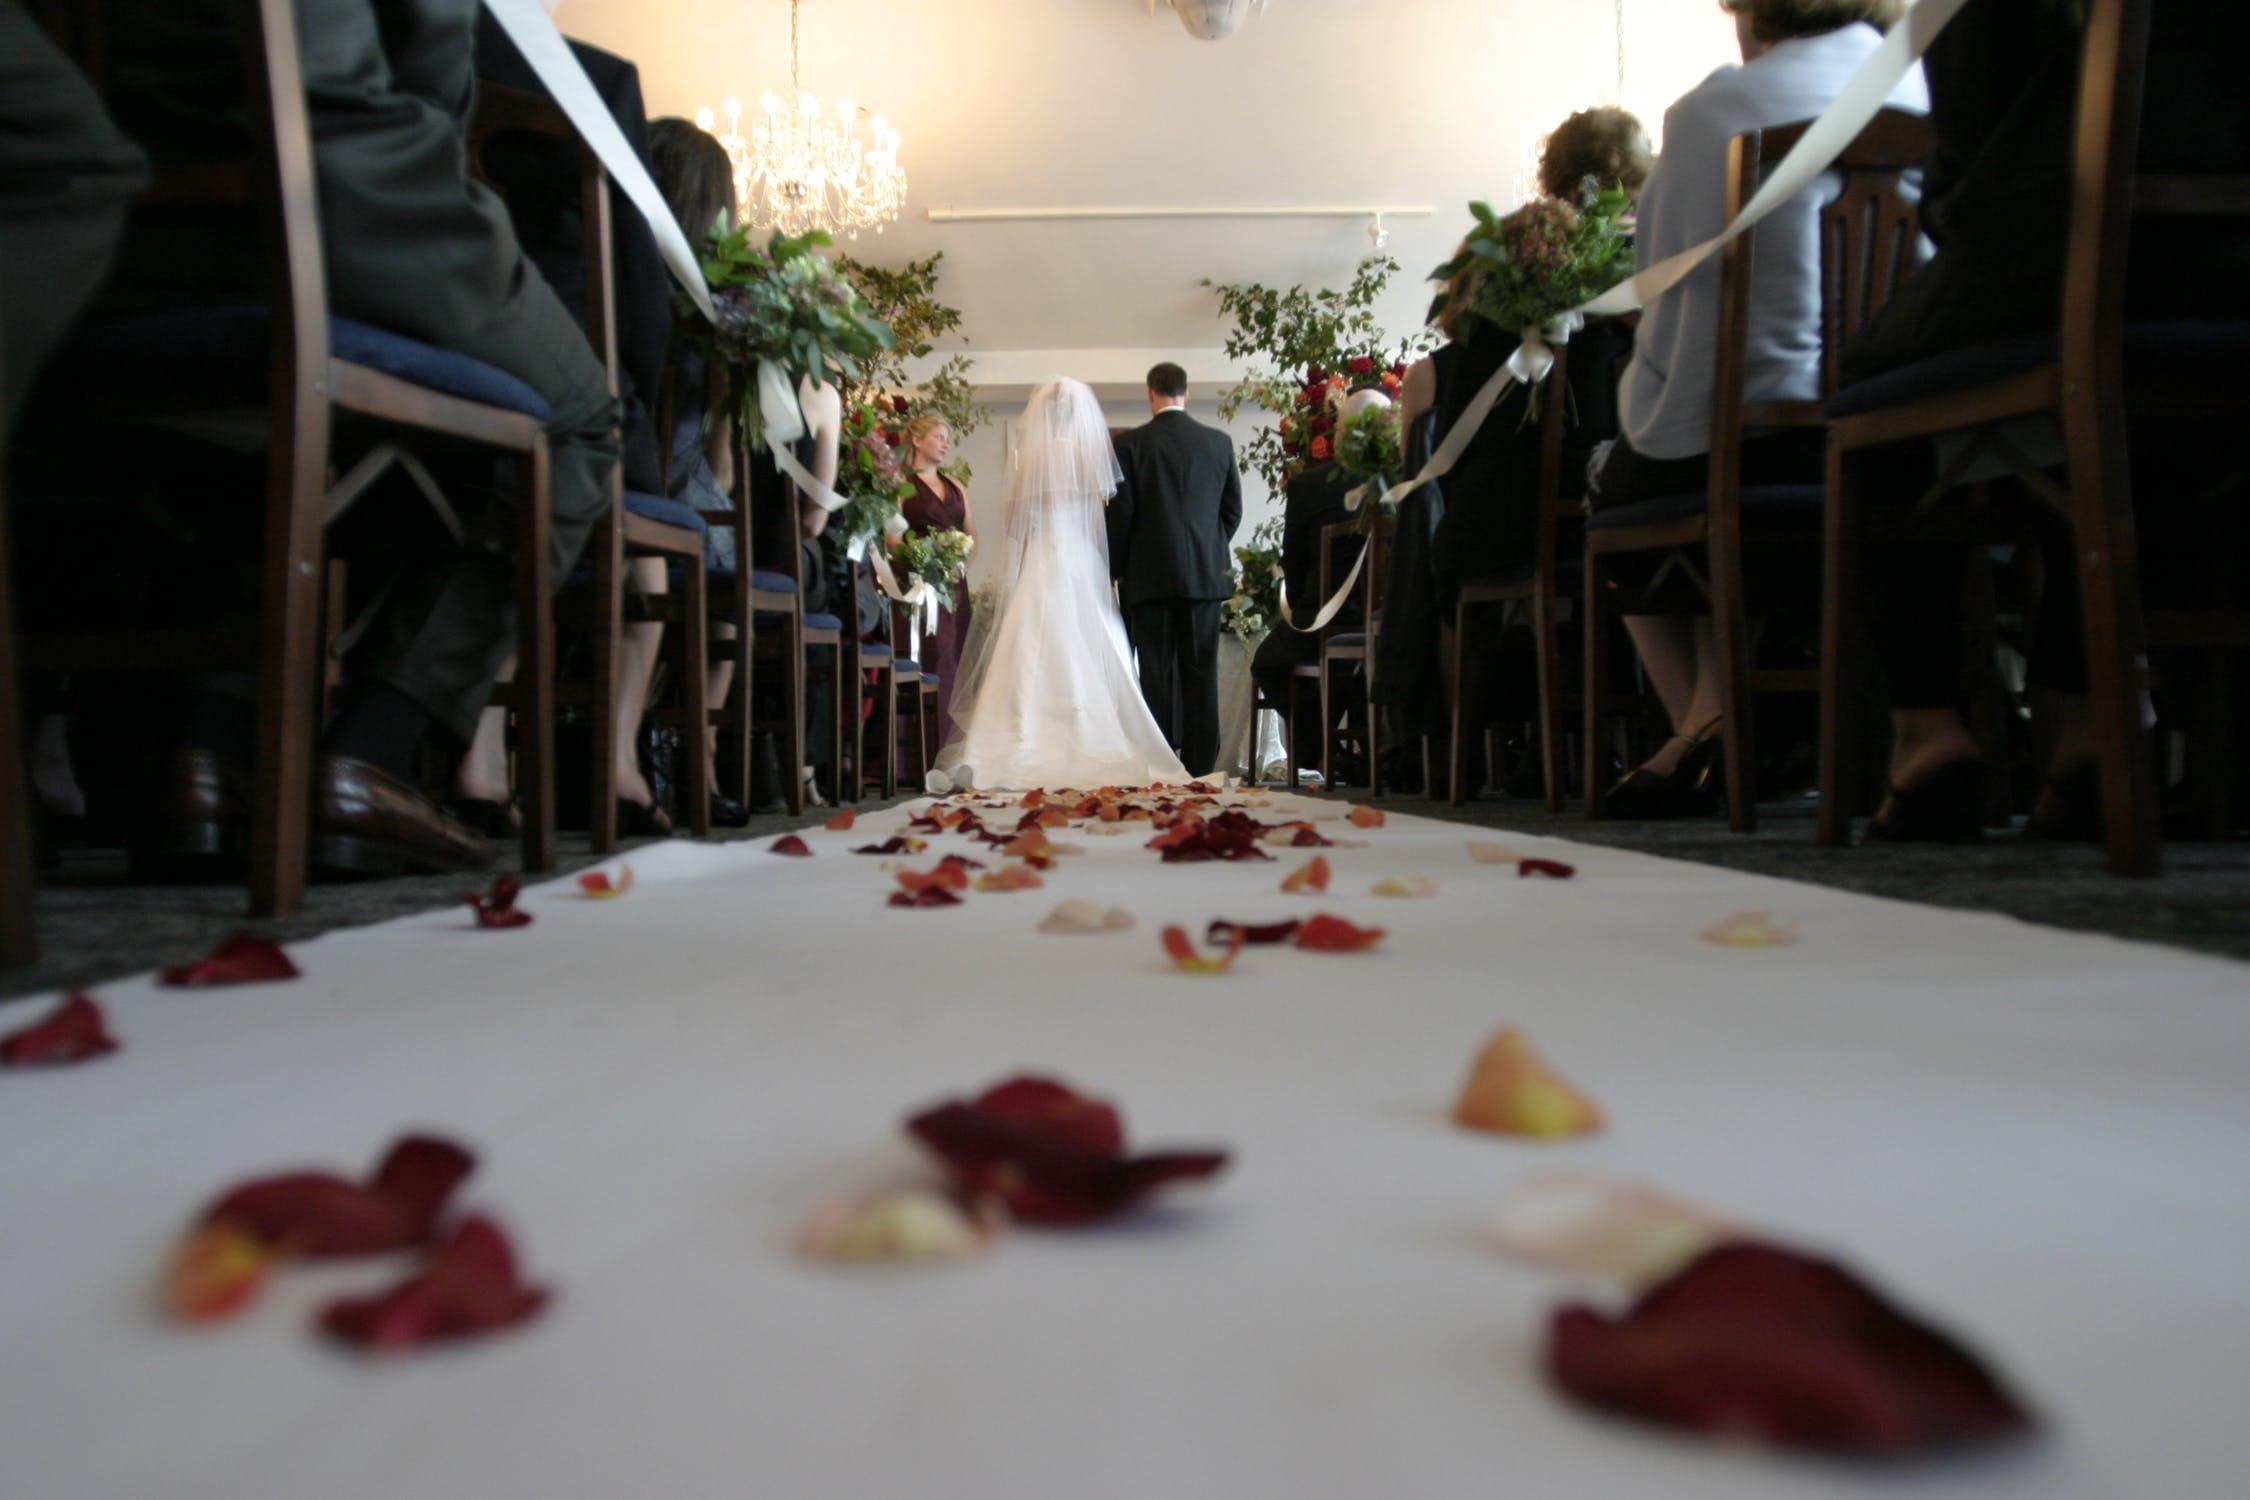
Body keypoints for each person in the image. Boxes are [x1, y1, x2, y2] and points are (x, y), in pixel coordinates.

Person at [101, 0, 621, 876]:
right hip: (346, 182)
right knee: (581, 419)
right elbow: (428, 60)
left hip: (122, 204)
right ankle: (369, 758)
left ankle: (209, 752)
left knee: (266, 418)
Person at [1842, 0, 2250, 841]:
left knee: (1864, 387)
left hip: (2060, 248)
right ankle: (2096, 724)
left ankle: (1928, 734)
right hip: (2230, 270)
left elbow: (1977, 120)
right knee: (2123, 425)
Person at [1584, 0, 1925, 819]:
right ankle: (1722, 721)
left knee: (1618, 480)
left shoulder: (1710, 114)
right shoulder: (1919, 87)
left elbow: (1669, 309)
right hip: (1895, 430)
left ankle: (1704, 726)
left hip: (1752, 440)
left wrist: (1641, 391)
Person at [935, 379, 1188, 791]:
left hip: (1042, 556)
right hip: (1081, 559)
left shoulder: (1029, 458)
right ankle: (1097, 735)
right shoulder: (1090, 456)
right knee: (1094, 642)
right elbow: (1098, 522)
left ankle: (1017, 737)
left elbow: (1015, 525)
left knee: (1029, 643)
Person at [1109, 361, 1244, 776]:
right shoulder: (1218, 443)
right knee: (1202, 670)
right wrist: (1206, 549)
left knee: (1157, 671)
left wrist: (1115, 567)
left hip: (1148, 576)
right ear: (1187, 393)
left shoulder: (1131, 445)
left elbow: (1123, 513)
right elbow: (1232, 511)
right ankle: (1203, 767)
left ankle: (1163, 761)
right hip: (1205, 576)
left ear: (1151, 392)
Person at [1251, 388, 1387, 775]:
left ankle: (1318, 753)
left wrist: (1299, 606)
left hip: (1324, 619)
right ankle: (1364, 746)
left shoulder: (1309, 486)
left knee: (1268, 663)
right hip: (1388, 622)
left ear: (1341, 432)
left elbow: (1293, 562)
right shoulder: (1403, 480)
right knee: (1353, 667)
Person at [896, 415, 977, 727]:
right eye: (939, 436)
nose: (946, 444)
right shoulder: (901, 486)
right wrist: (925, 565)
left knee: (954, 661)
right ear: (917, 440)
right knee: (928, 658)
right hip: (917, 590)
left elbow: (972, 539)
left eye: (947, 438)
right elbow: (892, 541)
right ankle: (920, 751)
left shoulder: (955, 486)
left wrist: (957, 567)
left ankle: (951, 744)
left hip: (955, 591)